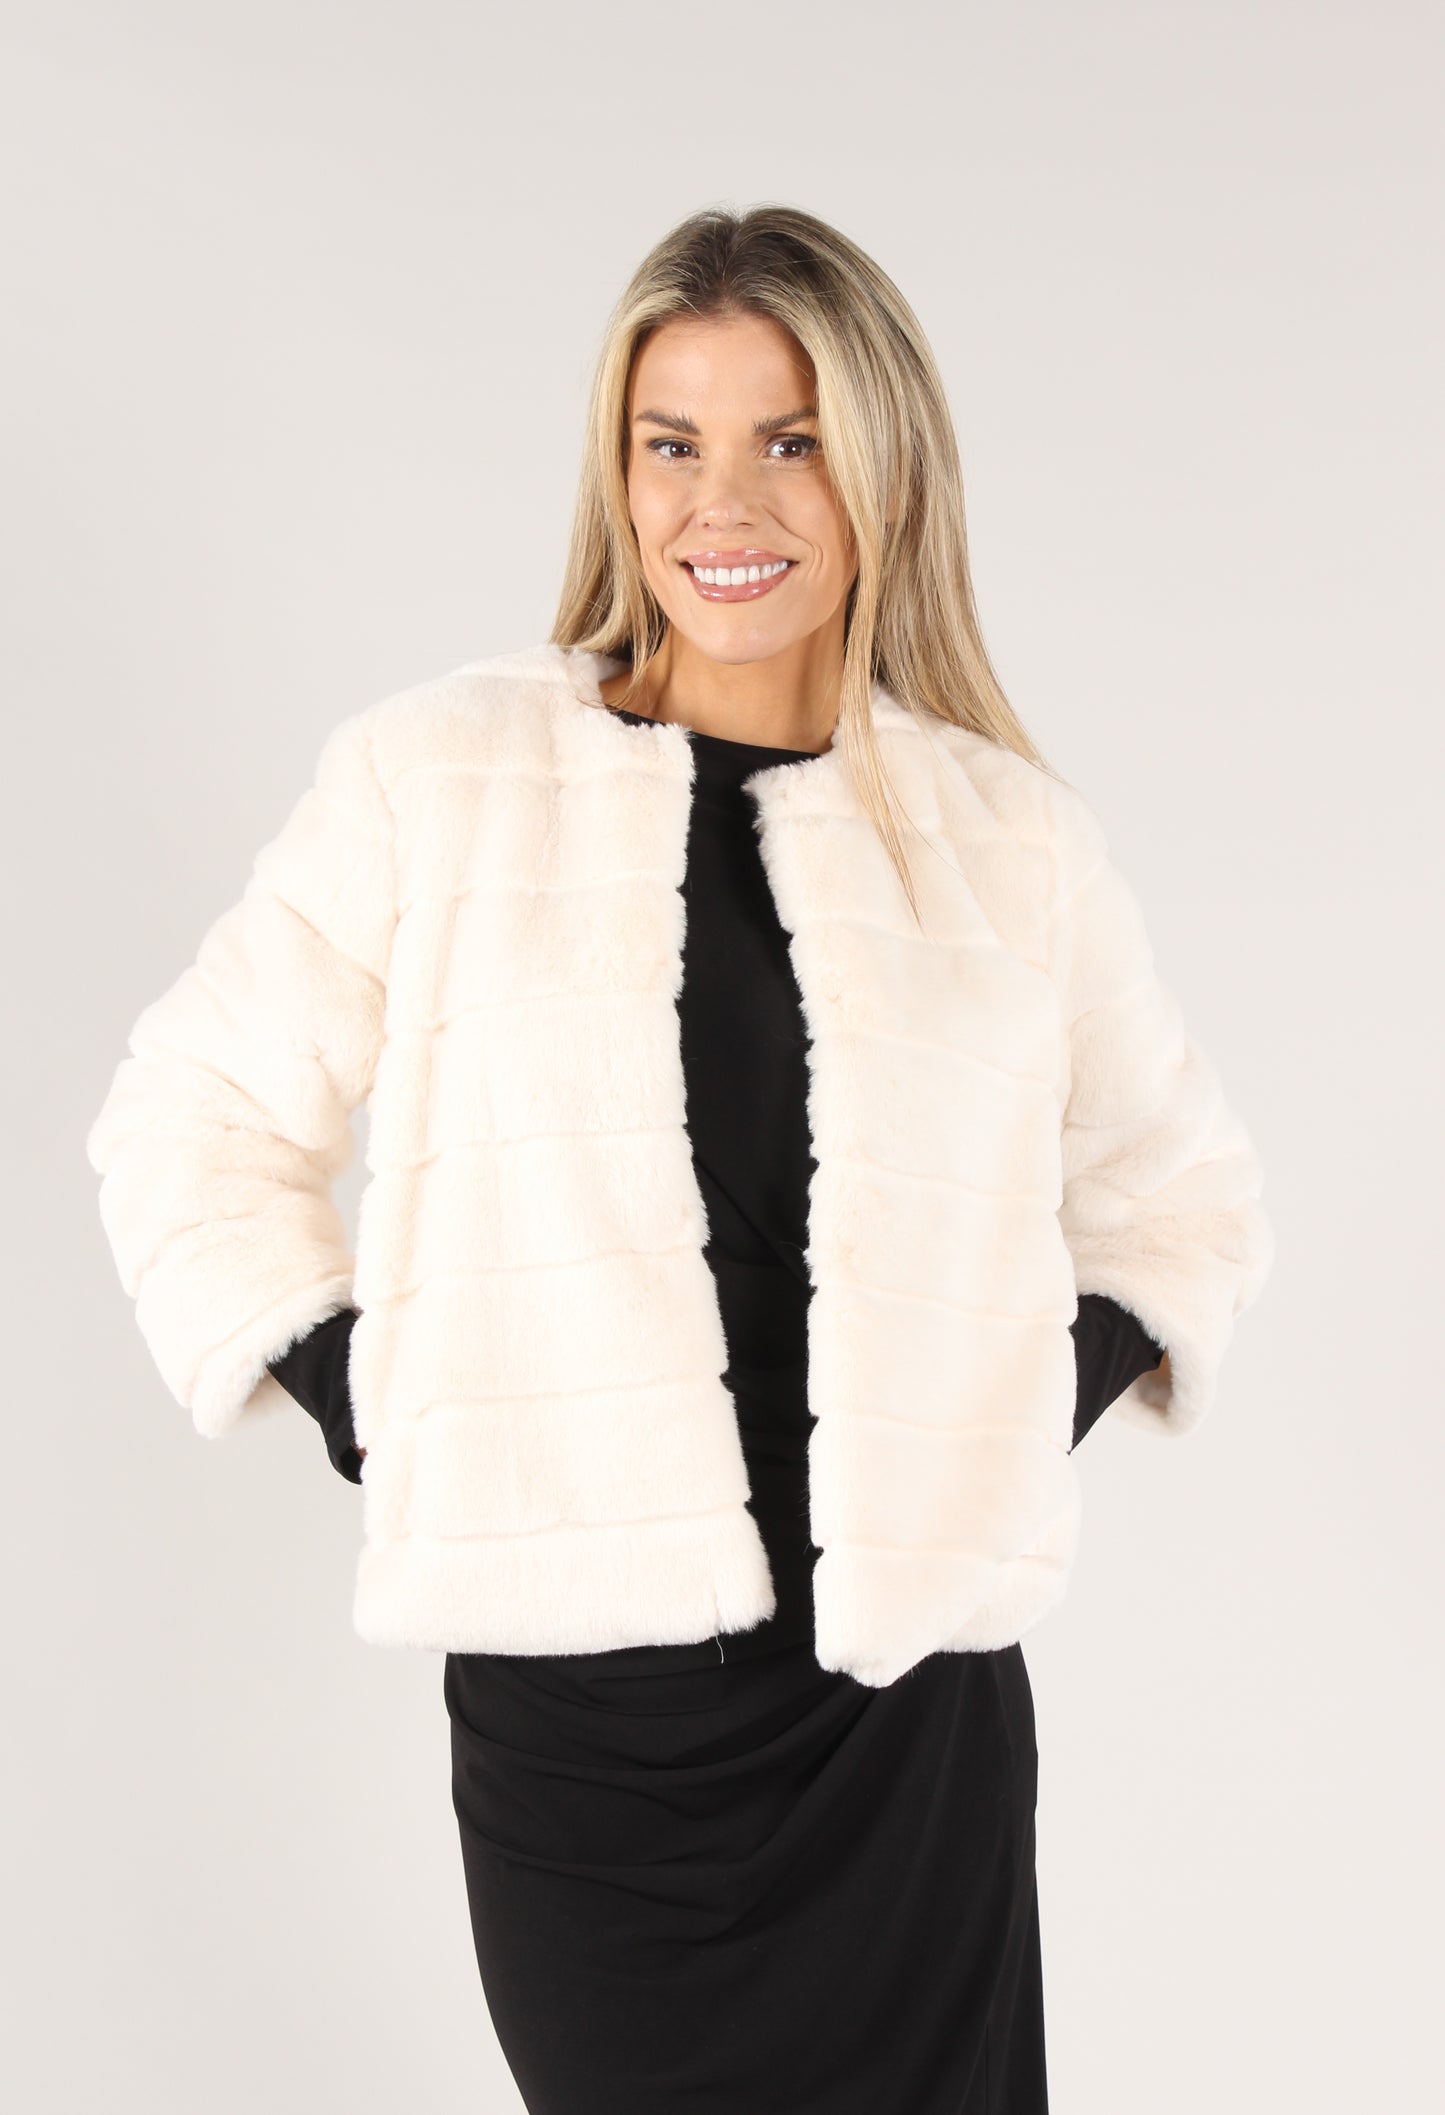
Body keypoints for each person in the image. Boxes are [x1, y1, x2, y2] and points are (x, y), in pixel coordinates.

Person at [86, 204, 1273, 2113]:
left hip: (903, 1733)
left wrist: (981, 1431)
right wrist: (393, 1406)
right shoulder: (441, 780)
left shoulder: (1007, 842)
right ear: (617, 471)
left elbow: (1179, 1194)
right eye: (672, 442)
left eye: (789, 440)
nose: (724, 503)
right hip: (591, 1746)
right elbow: (190, 1124)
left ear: (882, 470)